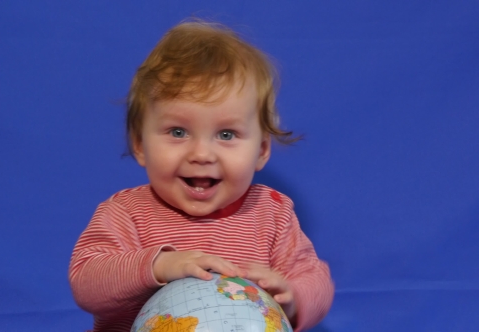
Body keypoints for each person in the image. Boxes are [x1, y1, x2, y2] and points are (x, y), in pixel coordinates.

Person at [69, 19, 334, 332]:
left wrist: (294, 298)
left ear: (262, 150)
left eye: (226, 134)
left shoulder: (272, 214)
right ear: (140, 144)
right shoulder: (125, 213)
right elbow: (86, 280)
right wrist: (157, 266)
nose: (202, 154)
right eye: (178, 132)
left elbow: (315, 277)